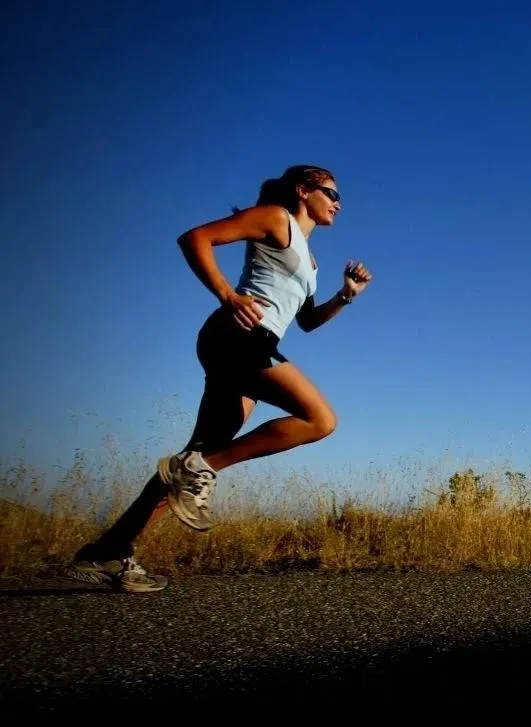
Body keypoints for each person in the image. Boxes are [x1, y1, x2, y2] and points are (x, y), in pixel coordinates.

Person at [63, 164, 372, 592]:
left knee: (192, 459)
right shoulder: (274, 217)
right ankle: (200, 469)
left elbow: (306, 322)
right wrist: (228, 295)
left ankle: (109, 551)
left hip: (253, 345)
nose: (337, 202)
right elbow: (195, 238)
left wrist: (344, 297)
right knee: (319, 420)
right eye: (331, 193)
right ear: (303, 190)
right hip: (239, 337)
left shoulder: (311, 259)